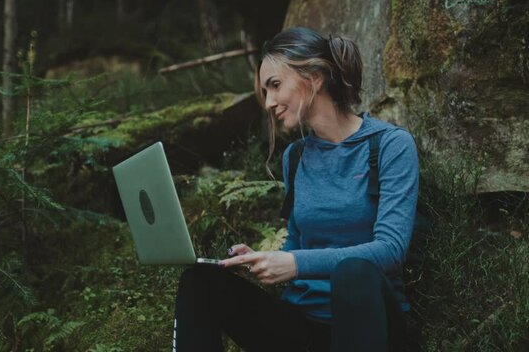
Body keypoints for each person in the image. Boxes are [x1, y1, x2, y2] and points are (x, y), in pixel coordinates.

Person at [173, 26, 419, 352]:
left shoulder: (390, 146)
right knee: (199, 282)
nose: (269, 102)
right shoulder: (296, 157)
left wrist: (295, 263)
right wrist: (266, 261)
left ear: (315, 77)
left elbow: (390, 250)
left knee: (353, 274)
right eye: (265, 91)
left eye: (275, 86)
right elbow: (297, 243)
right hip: (303, 326)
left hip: (371, 327)